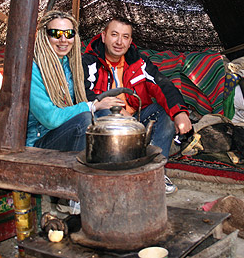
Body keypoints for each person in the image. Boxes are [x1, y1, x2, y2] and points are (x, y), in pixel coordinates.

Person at [82, 16, 193, 194]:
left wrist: (180, 112)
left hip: (135, 117)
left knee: (166, 115)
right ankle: (119, 175)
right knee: (101, 115)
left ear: (130, 41)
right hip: (106, 121)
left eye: (125, 37)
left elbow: (162, 85)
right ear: (103, 36)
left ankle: (154, 172)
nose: (119, 42)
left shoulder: (138, 63)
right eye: (114, 35)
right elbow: (83, 93)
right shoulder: (89, 61)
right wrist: (116, 112)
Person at [26, 10, 124, 151]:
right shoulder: (34, 69)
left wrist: (100, 106)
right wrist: (92, 106)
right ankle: (81, 171)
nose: (63, 40)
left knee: (105, 116)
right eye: (56, 34)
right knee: (84, 120)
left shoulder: (70, 65)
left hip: (64, 132)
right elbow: (50, 119)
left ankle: (108, 167)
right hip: (40, 142)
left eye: (69, 34)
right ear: (44, 36)